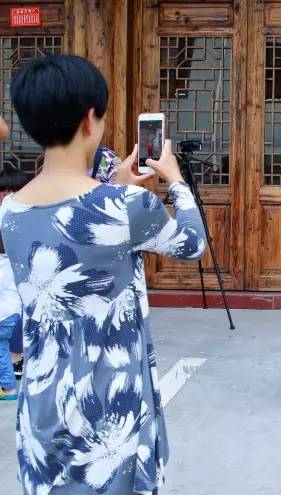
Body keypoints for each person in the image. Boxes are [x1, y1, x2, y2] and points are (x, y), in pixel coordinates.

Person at [2, 54, 206, 494]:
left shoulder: (10, 211)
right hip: (110, 396)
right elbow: (192, 243)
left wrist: (115, 188)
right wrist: (175, 181)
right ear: (89, 119)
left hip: (43, 394)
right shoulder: (127, 206)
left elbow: (72, 229)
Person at [0, 169, 30, 383]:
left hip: (21, 270)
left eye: (13, 191)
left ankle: (17, 357)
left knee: (17, 313)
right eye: (3, 191)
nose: (7, 196)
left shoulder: (29, 216)